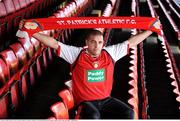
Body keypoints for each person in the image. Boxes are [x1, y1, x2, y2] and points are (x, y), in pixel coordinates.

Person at [18, 20, 161, 119]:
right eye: (93, 42)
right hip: (85, 102)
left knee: (129, 113)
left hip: (106, 100)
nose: (97, 46)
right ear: (87, 42)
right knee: (94, 116)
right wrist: (32, 32)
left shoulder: (110, 53)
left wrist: (151, 30)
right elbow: (54, 43)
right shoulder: (76, 54)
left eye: (99, 42)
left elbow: (131, 42)